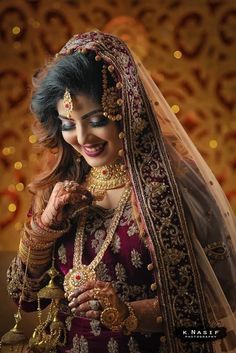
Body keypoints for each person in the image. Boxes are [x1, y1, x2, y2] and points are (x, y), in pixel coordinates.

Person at [5, 31, 236, 353]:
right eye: (68, 124)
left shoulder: (177, 191)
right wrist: (45, 226)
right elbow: (23, 296)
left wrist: (128, 313)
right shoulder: (56, 193)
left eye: (96, 119)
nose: (83, 136)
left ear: (127, 114)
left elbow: (218, 316)